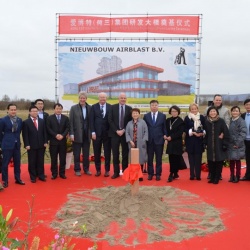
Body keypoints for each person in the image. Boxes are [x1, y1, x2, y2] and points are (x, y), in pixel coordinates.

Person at [0, 104, 25, 188]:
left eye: (15, 109)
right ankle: (5, 181)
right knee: (5, 164)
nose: (13, 111)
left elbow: (19, 132)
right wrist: (1, 144)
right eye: (11, 110)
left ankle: (18, 179)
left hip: (17, 144)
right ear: (8, 110)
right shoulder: (3, 120)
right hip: (7, 145)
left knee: (17, 163)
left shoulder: (19, 120)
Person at [108, 92, 132, 179]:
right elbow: (110, 120)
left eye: (124, 98)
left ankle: (125, 172)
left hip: (125, 134)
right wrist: (116, 130)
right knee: (115, 154)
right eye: (121, 98)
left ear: (126, 99)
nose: (123, 99)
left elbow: (130, 122)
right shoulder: (112, 107)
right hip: (114, 134)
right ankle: (116, 172)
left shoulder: (129, 109)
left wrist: (124, 130)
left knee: (125, 154)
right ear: (118, 99)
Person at [204, 106, 230, 184]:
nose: (212, 113)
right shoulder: (206, 122)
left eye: (214, 111)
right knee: (211, 161)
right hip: (210, 144)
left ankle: (217, 177)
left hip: (219, 144)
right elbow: (205, 134)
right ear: (208, 113)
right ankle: (212, 177)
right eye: (211, 111)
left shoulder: (221, 121)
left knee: (219, 161)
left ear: (217, 113)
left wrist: (225, 144)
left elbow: (226, 133)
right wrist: (204, 142)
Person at [22, 106, 48, 183]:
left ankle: (41, 175)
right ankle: (33, 176)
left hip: (41, 145)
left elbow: (44, 132)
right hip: (31, 146)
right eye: (33, 111)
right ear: (30, 112)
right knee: (32, 161)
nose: (35, 112)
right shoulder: (26, 122)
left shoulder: (42, 121)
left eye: (36, 111)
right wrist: (26, 144)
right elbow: (25, 135)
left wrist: (45, 141)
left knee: (40, 161)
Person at [143, 100, 167, 181]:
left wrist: (165, 136)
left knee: (158, 158)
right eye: (152, 105)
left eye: (155, 105)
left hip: (159, 140)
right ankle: (150, 173)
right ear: (150, 106)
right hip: (149, 141)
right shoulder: (146, 116)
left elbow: (164, 128)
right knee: (150, 158)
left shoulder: (162, 116)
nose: (154, 106)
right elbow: (144, 128)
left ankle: (158, 174)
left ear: (158, 106)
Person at [69, 91, 92, 176]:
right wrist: (71, 134)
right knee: (77, 154)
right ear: (79, 98)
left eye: (84, 98)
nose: (82, 99)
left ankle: (86, 169)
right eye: (81, 98)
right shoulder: (73, 108)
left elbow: (91, 121)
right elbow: (70, 122)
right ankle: (77, 169)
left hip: (87, 135)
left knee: (86, 154)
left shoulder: (90, 108)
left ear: (86, 99)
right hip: (77, 134)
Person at [90, 92, 111, 177]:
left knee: (107, 153)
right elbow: (91, 121)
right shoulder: (94, 107)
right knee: (97, 152)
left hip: (107, 134)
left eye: (104, 98)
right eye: (101, 98)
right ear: (98, 98)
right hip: (96, 134)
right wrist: (93, 132)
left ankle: (107, 170)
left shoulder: (110, 107)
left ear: (106, 98)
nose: (102, 99)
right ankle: (98, 170)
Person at [46, 103, 70, 179]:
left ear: (61, 109)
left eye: (60, 109)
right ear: (54, 109)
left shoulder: (65, 118)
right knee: (54, 159)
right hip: (53, 141)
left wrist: (62, 135)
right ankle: (54, 173)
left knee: (63, 158)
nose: (58, 110)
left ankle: (62, 173)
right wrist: (56, 135)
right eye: (57, 109)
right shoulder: (49, 118)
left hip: (62, 141)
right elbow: (48, 128)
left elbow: (67, 128)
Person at [184, 103, 206, 180]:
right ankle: (192, 175)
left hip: (199, 141)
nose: (194, 110)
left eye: (195, 109)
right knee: (191, 159)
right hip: (190, 140)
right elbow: (185, 128)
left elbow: (205, 128)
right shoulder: (187, 118)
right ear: (190, 110)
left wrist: (201, 133)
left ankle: (198, 175)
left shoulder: (202, 117)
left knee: (198, 158)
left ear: (197, 109)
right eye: (192, 109)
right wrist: (192, 132)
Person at [125, 108, 148, 181]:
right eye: (134, 113)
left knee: (140, 160)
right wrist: (130, 141)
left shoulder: (143, 122)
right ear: (132, 115)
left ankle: (140, 175)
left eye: (136, 113)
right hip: (132, 144)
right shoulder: (129, 123)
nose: (135, 114)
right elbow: (127, 133)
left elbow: (146, 132)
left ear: (139, 114)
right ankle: (134, 175)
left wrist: (143, 141)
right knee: (133, 160)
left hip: (141, 144)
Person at [165, 105, 185, 182]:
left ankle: (172, 173)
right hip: (170, 142)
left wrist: (171, 137)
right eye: (172, 111)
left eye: (176, 111)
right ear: (170, 112)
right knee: (171, 158)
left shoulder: (180, 121)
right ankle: (174, 172)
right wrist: (166, 136)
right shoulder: (168, 120)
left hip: (177, 142)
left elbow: (180, 132)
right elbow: (166, 130)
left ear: (178, 112)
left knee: (176, 158)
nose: (174, 113)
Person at [228, 106, 247, 183]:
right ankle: (232, 175)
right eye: (233, 111)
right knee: (231, 160)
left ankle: (237, 176)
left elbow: (243, 133)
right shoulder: (230, 120)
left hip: (238, 144)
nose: (235, 112)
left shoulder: (241, 121)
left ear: (239, 112)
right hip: (230, 143)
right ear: (231, 112)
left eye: (236, 111)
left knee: (237, 160)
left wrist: (237, 143)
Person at [240, 99, 250, 181]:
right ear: (244, 106)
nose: (248, 106)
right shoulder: (242, 116)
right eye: (247, 104)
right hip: (245, 140)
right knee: (248, 158)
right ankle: (247, 175)